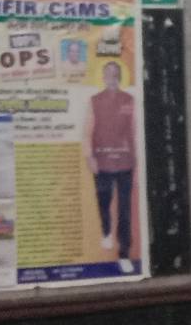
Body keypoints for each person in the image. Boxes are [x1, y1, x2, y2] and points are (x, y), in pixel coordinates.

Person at [83, 60, 139, 273]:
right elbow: (87, 131)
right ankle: (106, 231)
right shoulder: (94, 101)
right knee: (103, 201)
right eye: (108, 73)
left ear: (120, 77)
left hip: (125, 162)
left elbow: (134, 131)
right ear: (104, 77)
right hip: (102, 162)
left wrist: (136, 161)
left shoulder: (130, 100)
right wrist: (89, 156)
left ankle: (124, 253)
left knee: (125, 209)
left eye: (115, 73)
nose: (112, 77)